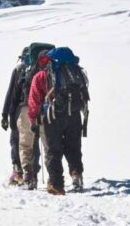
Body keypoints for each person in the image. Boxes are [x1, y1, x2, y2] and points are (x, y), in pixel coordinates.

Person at [27, 47, 89, 195]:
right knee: (73, 147)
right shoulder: (76, 71)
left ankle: (56, 184)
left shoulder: (41, 75)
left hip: (51, 117)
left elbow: (34, 100)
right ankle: (76, 176)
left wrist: (33, 120)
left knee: (53, 150)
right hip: (74, 114)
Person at [16, 43, 54, 190]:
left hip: (27, 108)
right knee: (48, 145)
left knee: (26, 144)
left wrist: (8, 114)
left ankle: (28, 176)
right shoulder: (50, 71)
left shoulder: (28, 70)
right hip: (48, 110)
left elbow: (16, 93)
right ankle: (52, 177)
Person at [1, 50, 29, 185]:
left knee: (16, 140)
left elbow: (11, 93)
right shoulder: (41, 70)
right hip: (37, 112)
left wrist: (5, 114)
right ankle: (31, 174)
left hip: (19, 110)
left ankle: (17, 172)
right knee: (31, 144)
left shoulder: (19, 69)